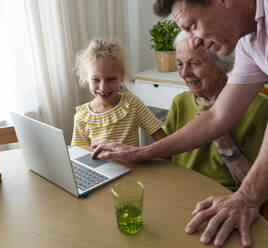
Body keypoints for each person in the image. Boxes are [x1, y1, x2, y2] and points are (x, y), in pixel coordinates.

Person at [91, 0, 268, 247]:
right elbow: (217, 117)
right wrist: (142, 152)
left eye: (193, 25)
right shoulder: (251, 45)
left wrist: (247, 197)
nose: (193, 41)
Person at [167, 31, 268, 192]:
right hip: (178, 189)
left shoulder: (258, 106)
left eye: (195, 63)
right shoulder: (180, 102)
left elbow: (256, 185)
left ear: (222, 65)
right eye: (180, 64)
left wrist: (221, 137)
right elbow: (166, 160)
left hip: (224, 195)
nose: (185, 73)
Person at [71, 38, 165, 147]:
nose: (103, 88)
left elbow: (162, 139)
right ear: (85, 77)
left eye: (110, 79)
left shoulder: (133, 104)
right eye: (96, 80)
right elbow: (77, 155)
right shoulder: (81, 117)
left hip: (132, 164)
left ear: (122, 76)